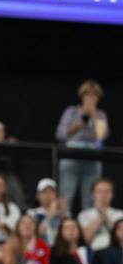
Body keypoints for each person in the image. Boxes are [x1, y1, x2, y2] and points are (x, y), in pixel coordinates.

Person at [57, 81, 110, 213]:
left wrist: (94, 115)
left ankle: (88, 224)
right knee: (66, 194)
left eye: (94, 96)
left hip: (92, 155)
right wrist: (83, 119)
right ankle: (65, 226)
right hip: (71, 153)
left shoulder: (101, 115)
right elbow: (61, 134)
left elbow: (102, 137)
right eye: (88, 95)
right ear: (82, 96)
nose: (91, 99)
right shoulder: (71, 111)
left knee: (91, 198)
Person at [80, 179, 123, 253]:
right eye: (99, 191)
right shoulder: (84, 215)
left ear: (112, 195)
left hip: (117, 253)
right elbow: (85, 239)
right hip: (94, 253)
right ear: (93, 194)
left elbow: (120, 235)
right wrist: (100, 216)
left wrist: (104, 214)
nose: (103, 195)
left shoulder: (120, 214)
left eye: (107, 191)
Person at [27, 178, 68, 247]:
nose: (48, 195)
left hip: (59, 251)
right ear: (37, 196)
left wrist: (62, 213)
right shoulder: (32, 213)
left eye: (51, 192)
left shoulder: (64, 214)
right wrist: (50, 213)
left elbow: (69, 236)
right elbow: (33, 236)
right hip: (39, 250)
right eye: (44, 192)